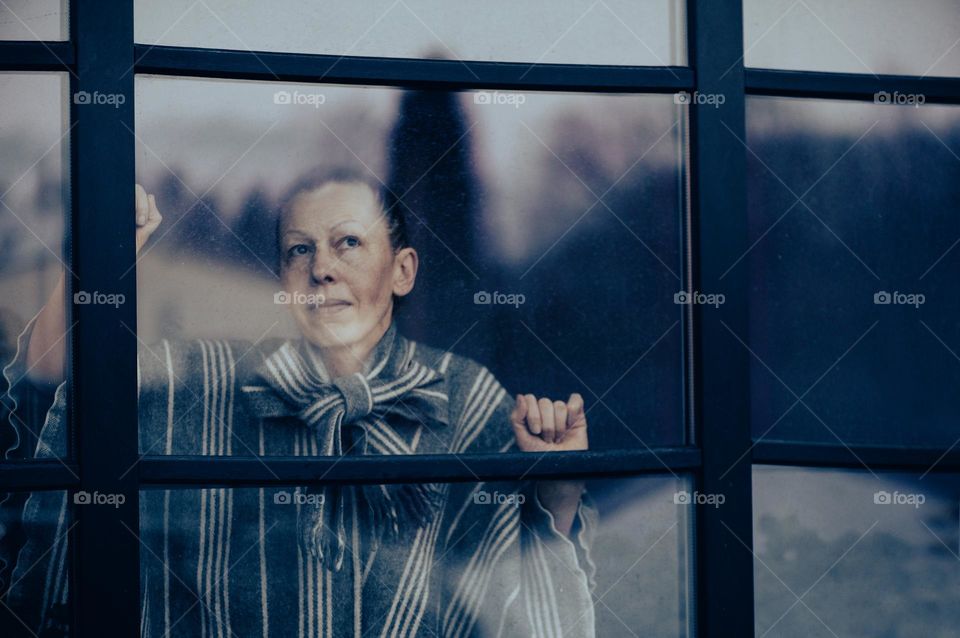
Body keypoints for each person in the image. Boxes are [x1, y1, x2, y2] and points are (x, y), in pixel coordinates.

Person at [3, 171, 598, 637]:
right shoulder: (209, 381)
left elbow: (511, 599)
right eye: (298, 251)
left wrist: (557, 491)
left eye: (348, 244)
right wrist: (95, 259)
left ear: (403, 270)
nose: (321, 271)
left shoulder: (465, 396)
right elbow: (60, 374)